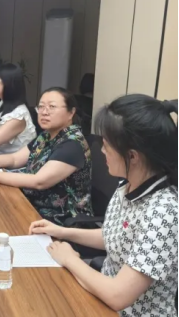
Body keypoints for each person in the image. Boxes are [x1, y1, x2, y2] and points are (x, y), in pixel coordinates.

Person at [30, 96, 178, 316]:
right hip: (99, 296)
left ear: (132, 156)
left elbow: (118, 296)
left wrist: (70, 259)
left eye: (106, 146)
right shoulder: (127, 185)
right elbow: (116, 236)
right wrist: (61, 231)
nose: (101, 151)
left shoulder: (164, 213)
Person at [0, 87, 93, 225]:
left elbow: (39, 182)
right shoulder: (46, 135)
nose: (44, 112)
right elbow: (15, 159)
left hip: (61, 218)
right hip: (32, 203)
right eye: (41, 107)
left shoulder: (73, 144)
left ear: (71, 112)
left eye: (52, 107)